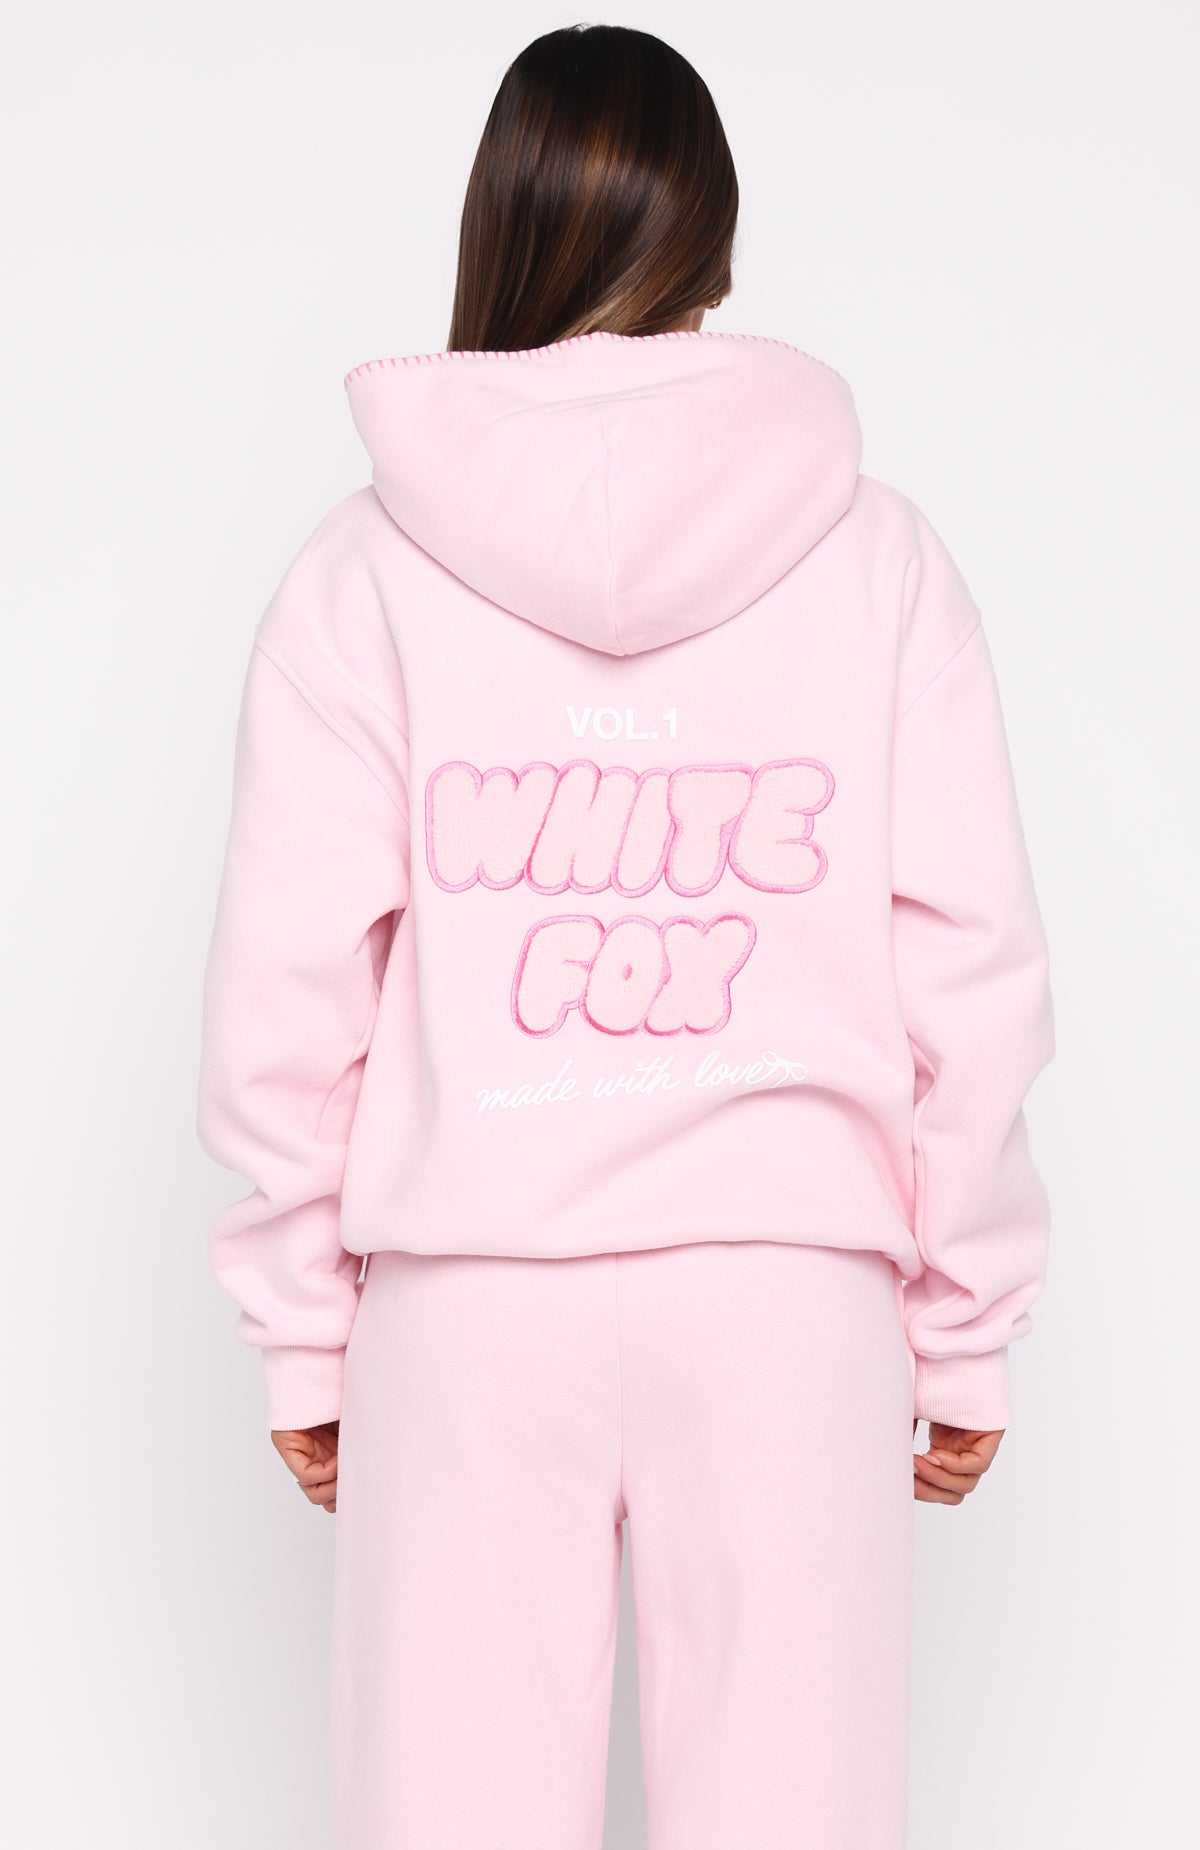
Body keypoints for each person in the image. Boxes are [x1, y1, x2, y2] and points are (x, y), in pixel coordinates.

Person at [197, 22, 1055, 1850]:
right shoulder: (878, 558)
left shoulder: (362, 573)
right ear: (712, 233)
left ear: (500, 221)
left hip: (468, 1299)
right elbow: (968, 969)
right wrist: (966, 1319)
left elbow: (289, 986)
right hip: (788, 1300)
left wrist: (303, 1330)